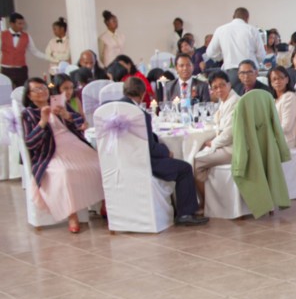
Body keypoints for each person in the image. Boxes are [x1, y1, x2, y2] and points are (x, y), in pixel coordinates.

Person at [118, 77, 208, 226]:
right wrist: (166, 151)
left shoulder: (109, 109)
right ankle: (185, 213)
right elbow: (150, 149)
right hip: (143, 162)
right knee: (184, 168)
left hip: (120, 162)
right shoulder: (140, 114)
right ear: (142, 94)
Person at [20, 77, 103, 233]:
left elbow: (82, 124)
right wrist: (42, 122)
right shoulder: (28, 114)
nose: (42, 91)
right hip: (50, 151)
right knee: (65, 172)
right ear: (29, 95)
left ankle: (104, 203)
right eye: (36, 89)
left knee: (99, 163)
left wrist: (67, 115)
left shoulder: (58, 103)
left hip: (73, 144)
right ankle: (72, 215)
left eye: (43, 88)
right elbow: (30, 143)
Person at [192, 71, 238, 207]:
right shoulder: (225, 101)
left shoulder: (234, 102)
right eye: (215, 87)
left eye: (222, 85)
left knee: (195, 162)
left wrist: (213, 143)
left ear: (229, 84)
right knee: (200, 152)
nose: (219, 90)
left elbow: (230, 134)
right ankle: (213, 200)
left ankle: (206, 203)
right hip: (227, 144)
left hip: (234, 148)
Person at [205, 7, 266, 85]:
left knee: (234, 96)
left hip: (231, 71)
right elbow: (261, 55)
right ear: (247, 18)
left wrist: (222, 57)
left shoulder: (221, 30)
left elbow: (210, 52)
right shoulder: (252, 30)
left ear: (233, 17)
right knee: (250, 96)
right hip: (249, 71)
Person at [2, 12, 47, 87]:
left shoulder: (27, 36)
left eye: (23, 23)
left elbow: (34, 51)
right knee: (5, 92)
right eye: (19, 23)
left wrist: (47, 57)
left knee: (23, 91)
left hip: (21, 70)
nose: (22, 26)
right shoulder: (2, 35)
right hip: (6, 70)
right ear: (11, 24)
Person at [269, 66, 296, 149]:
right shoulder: (274, 99)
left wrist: (266, 130)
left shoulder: (289, 97)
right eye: (274, 79)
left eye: (281, 78)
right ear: (271, 83)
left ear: (287, 79)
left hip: (285, 140)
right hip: (275, 138)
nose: (277, 81)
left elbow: (286, 127)